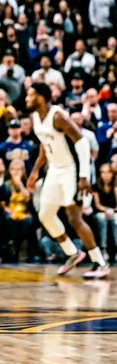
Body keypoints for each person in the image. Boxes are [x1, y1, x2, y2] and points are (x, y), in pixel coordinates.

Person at [26, 82, 109, 279]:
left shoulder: (58, 116)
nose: (27, 98)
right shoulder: (36, 117)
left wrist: (83, 176)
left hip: (71, 170)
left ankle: (100, 262)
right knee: (45, 215)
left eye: (30, 95)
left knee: (74, 218)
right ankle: (72, 252)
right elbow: (44, 145)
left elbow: (81, 142)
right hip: (54, 170)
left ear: (40, 97)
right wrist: (35, 171)